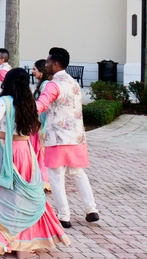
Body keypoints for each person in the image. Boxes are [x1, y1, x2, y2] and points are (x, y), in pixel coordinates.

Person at [0, 68, 70, 258]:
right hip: (24, 151)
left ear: (9, 83)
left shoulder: (5, 101)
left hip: (4, 149)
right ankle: (22, 245)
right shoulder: (30, 104)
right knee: (26, 194)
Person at [35, 47, 99, 228]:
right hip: (76, 136)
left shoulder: (53, 85)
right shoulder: (73, 83)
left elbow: (40, 105)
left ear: (55, 64)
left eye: (47, 62)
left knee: (56, 176)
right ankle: (91, 209)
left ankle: (64, 215)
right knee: (77, 173)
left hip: (58, 137)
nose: (45, 64)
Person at [31, 59, 52, 191]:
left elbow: (45, 107)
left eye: (34, 69)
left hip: (42, 124)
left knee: (40, 154)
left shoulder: (45, 85)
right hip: (38, 123)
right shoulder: (42, 84)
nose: (32, 72)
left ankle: (43, 180)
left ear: (41, 71)